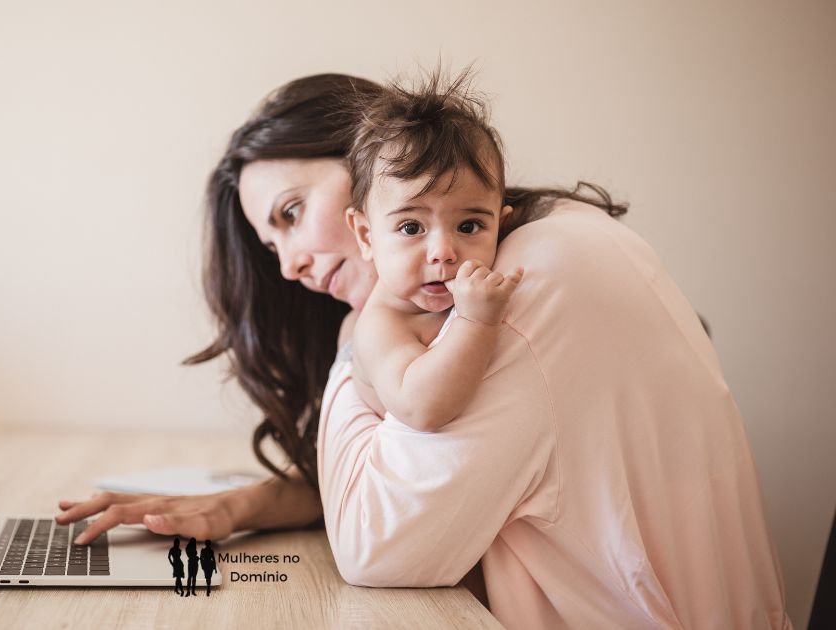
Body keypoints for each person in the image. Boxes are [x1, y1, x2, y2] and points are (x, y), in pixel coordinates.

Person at [55, 72, 791, 629]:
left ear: (371, 160)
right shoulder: (505, 268)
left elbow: (381, 547)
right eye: (270, 242)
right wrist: (240, 507)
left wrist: (358, 333)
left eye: (290, 214)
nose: (288, 267)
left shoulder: (519, 287)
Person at [344, 72, 525, 430]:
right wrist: (476, 321)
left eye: (469, 226)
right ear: (366, 236)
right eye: (411, 228)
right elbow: (420, 409)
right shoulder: (382, 324)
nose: (442, 252)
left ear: (500, 228)